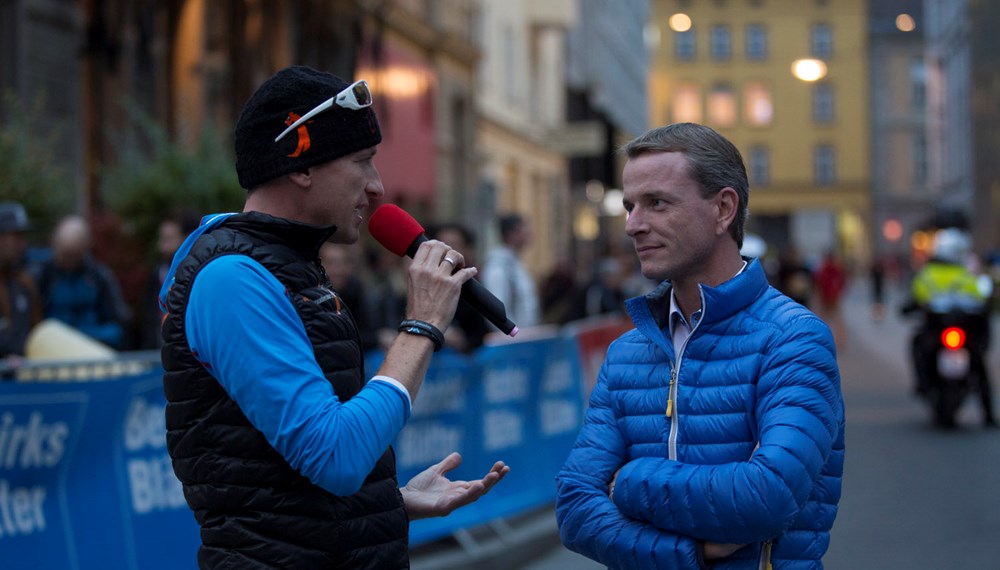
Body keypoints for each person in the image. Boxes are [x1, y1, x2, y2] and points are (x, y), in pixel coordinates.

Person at [158, 66, 508, 569]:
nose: (377, 187)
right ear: (301, 165)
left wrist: (389, 501)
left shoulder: (290, 267)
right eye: (363, 162)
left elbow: (281, 482)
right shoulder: (233, 279)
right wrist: (423, 325)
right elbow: (335, 458)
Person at [555, 123, 845, 569]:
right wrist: (690, 553)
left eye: (657, 203)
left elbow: (767, 498)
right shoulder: (627, 351)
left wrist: (628, 482)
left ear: (723, 210)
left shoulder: (793, 337)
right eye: (631, 206)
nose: (633, 225)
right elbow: (574, 510)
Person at [905, 227, 994, 425]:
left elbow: (915, 297)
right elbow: (981, 296)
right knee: (980, 365)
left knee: (977, 362)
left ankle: (922, 383)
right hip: (947, 333)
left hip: (950, 333)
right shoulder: (965, 273)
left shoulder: (929, 273)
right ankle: (988, 414)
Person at [32, 214, 131, 349]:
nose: (69, 262)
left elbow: (120, 322)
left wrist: (88, 335)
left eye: (74, 255)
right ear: (54, 245)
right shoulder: (42, 276)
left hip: (92, 350)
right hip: (51, 351)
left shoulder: (99, 277)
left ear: (85, 248)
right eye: (65, 254)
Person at [425, 222, 489, 352]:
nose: (448, 253)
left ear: (466, 249)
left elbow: (481, 335)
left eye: (454, 245)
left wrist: (463, 341)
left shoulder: (473, 288)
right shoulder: (423, 284)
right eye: (442, 246)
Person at [0, 202, 42, 370]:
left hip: (24, 386)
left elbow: (37, 331)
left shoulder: (25, 282)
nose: (22, 244)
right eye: (16, 237)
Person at [481, 213, 540, 329]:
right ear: (511, 234)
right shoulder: (498, 267)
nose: (528, 234)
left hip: (524, 336)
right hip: (511, 339)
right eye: (523, 229)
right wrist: (512, 334)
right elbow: (496, 310)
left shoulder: (516, 264)